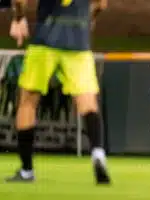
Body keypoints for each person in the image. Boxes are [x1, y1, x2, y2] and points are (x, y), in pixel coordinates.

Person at [6, 0, 110, 184]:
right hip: (78, 42)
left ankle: (26, 170)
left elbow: (20, 1)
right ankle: (97, 153)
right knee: (87, 102)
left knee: (28, 103)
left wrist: (19, 18)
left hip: (44, 41)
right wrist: (90, 19)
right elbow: (102, 4)